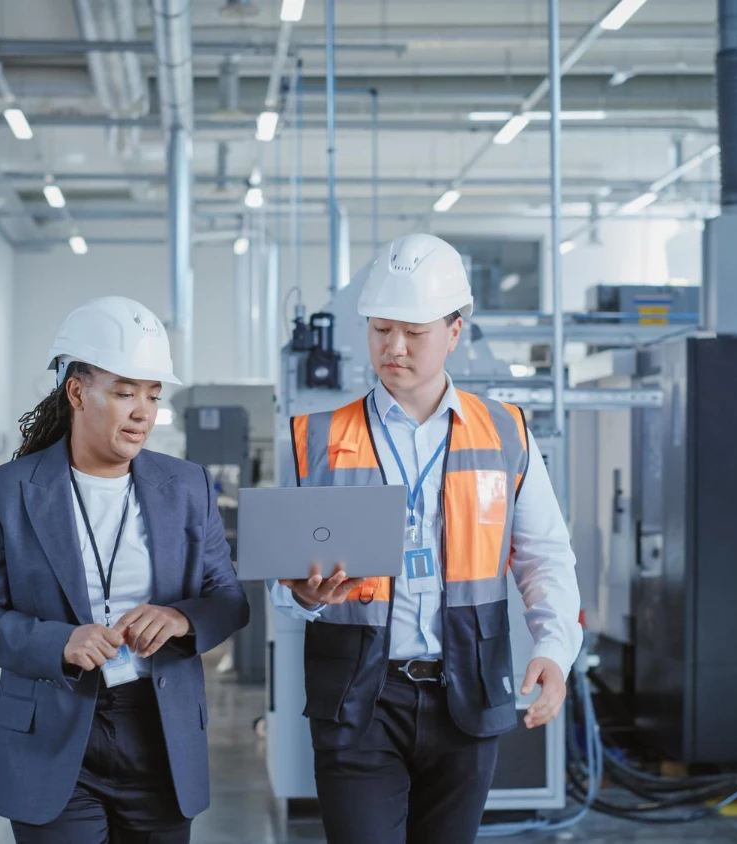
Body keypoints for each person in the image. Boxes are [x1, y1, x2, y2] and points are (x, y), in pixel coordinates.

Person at [270, 233, 582, 844]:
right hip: (359, 696)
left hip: (465, 690)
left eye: (413, 331)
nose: (393, 347)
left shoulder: (505, 432)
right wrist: (306, 595)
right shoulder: (314, 439)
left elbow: (544, 554)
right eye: (381, 329)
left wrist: (555, 646)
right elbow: (280, 587)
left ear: (455, 331)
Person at [0, 295, 250, 844]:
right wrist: (59, 642)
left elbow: (228, 599)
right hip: (55, 734)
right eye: (124, 393)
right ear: (77, 392)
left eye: (153, 395)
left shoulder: (187, 486)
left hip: (159, 733)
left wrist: (181, 619)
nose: (144, 412)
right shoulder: (12, 490)